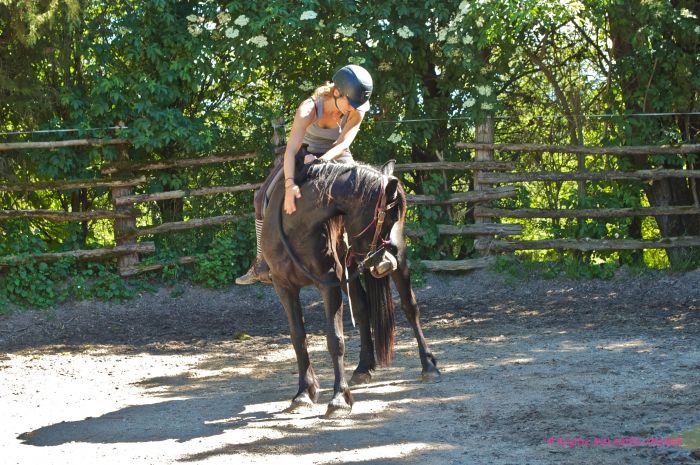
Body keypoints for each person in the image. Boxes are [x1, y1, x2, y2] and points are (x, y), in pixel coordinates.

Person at [236, 64, 374, 285]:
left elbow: (344, 142)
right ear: (337, 92)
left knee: (363, 194)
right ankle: (261, 260)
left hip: (336, 154)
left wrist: (323, 161)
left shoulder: (356, 108)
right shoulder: (309, 109)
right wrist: (290, 186)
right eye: (350, 102)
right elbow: (291, 150)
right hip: (304, 153)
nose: (353, 108)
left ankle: (367, 251)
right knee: (261, 197)